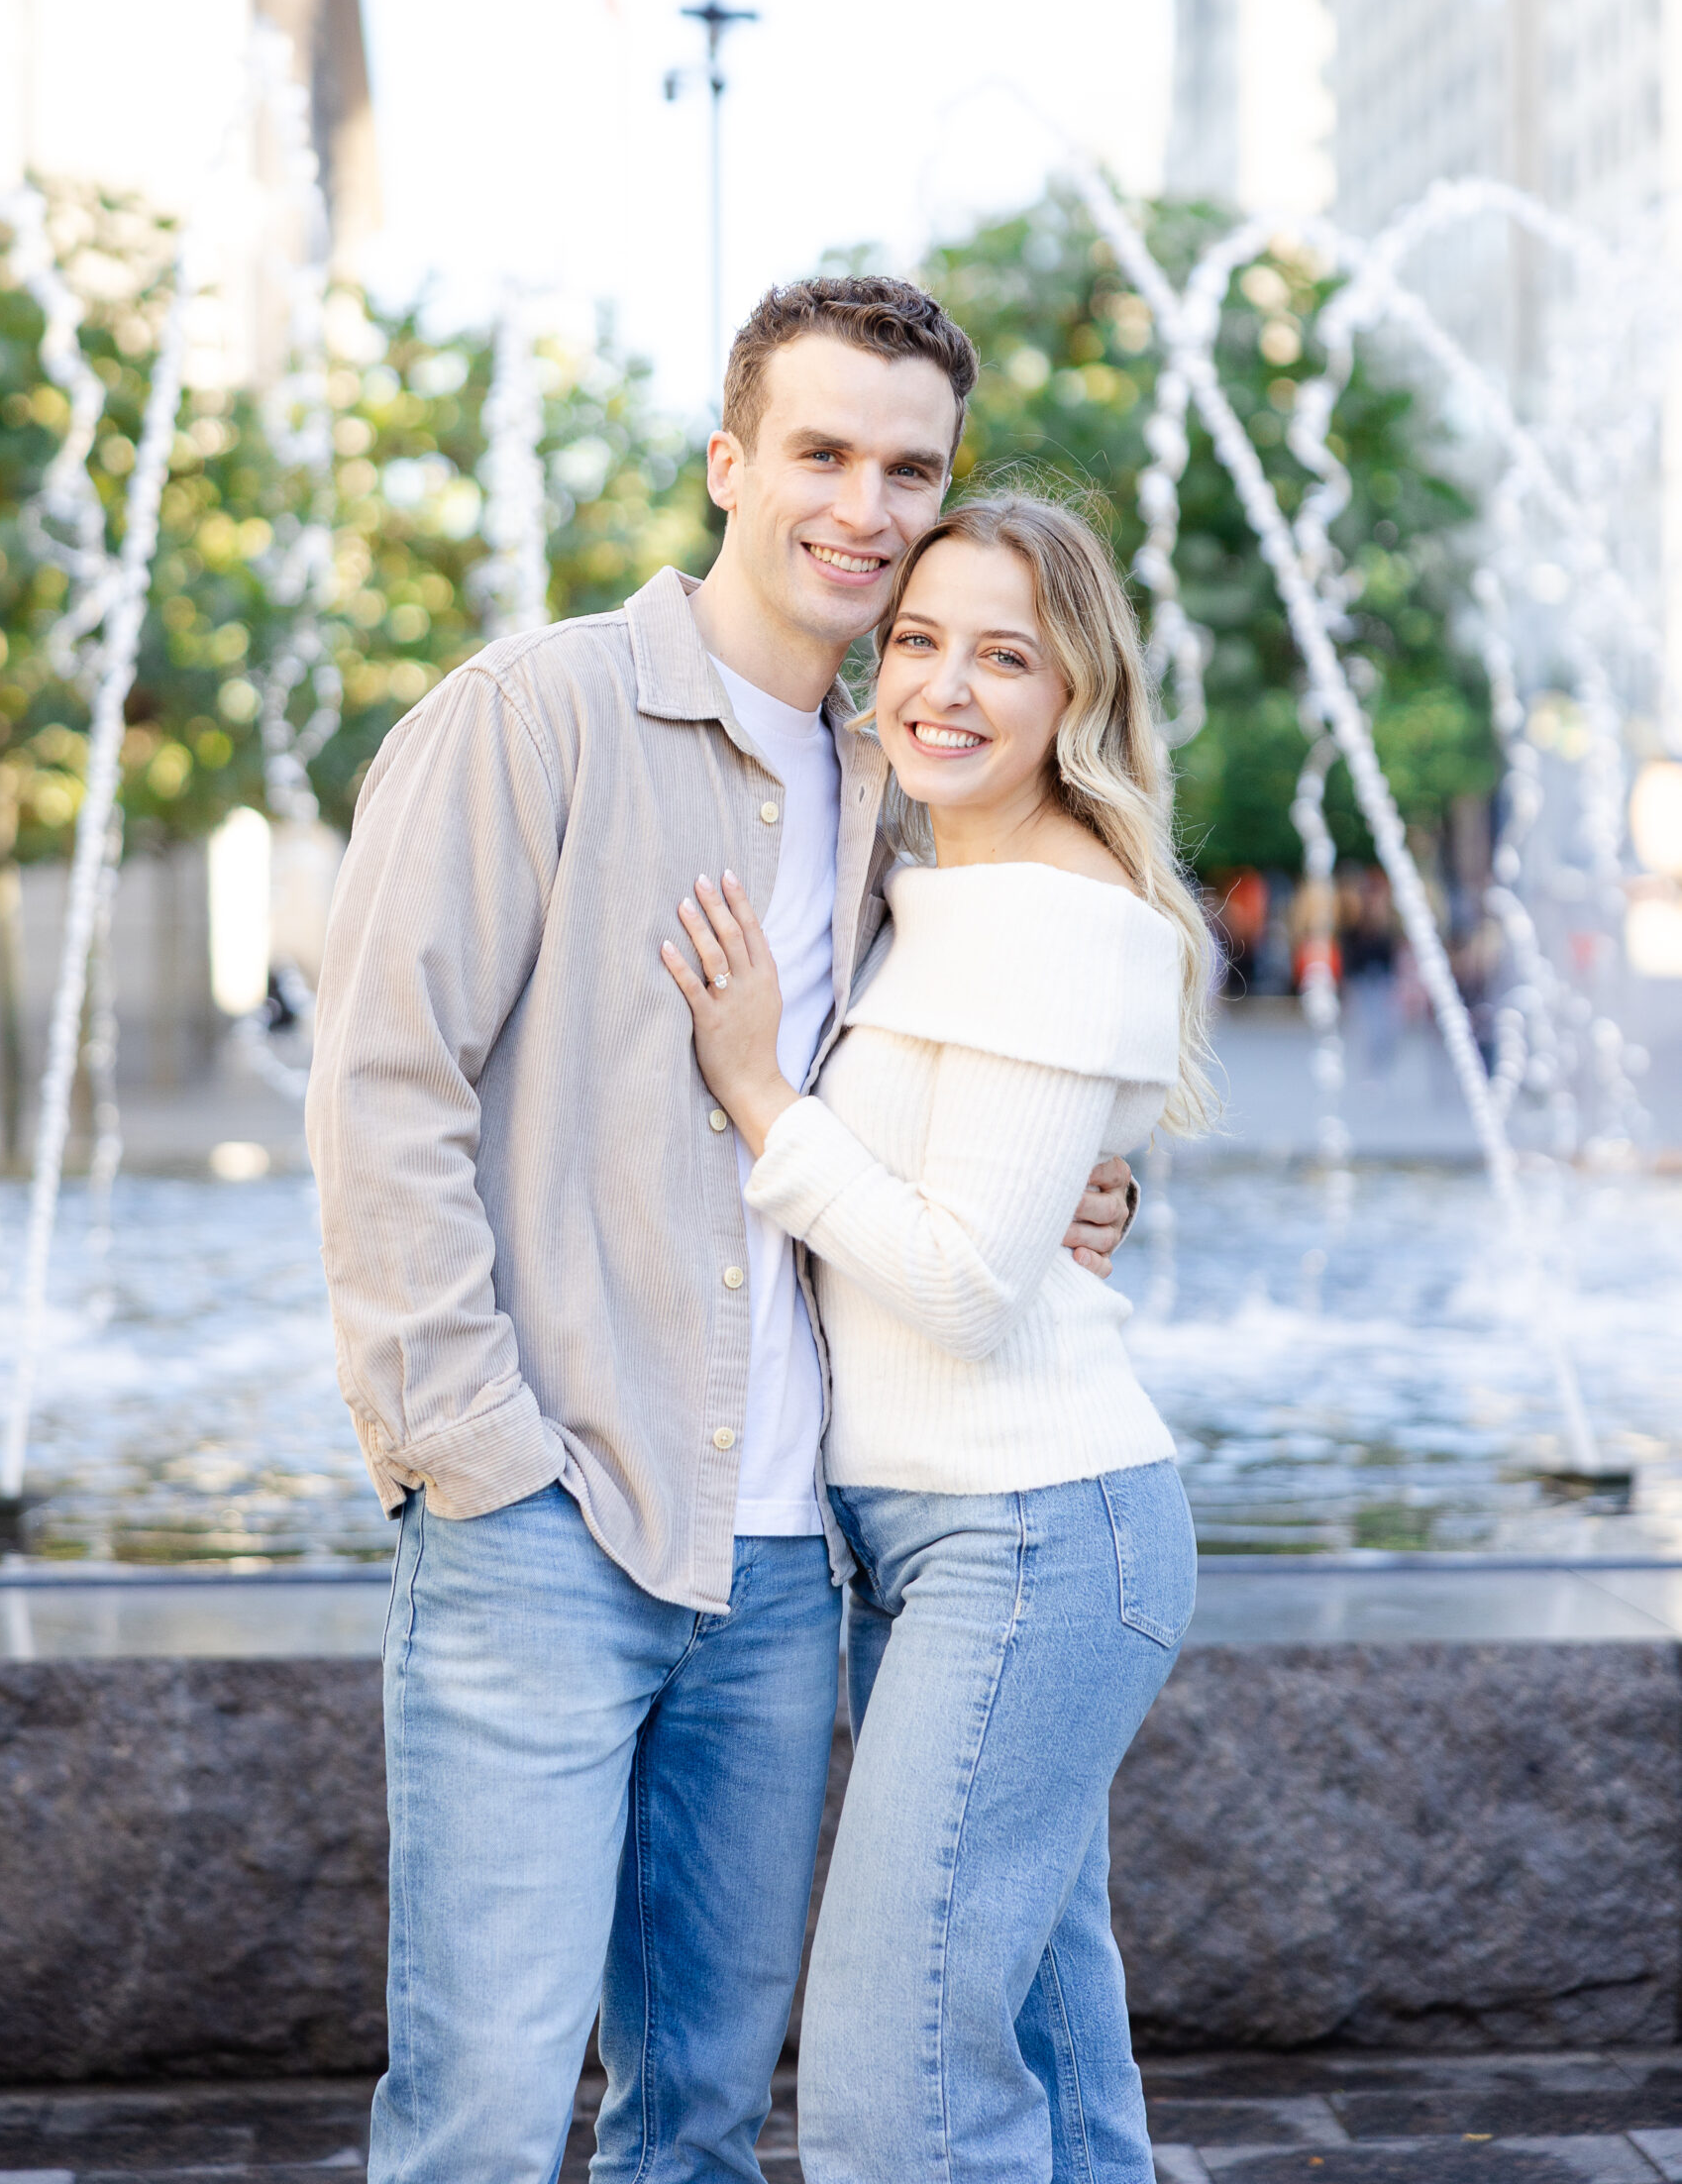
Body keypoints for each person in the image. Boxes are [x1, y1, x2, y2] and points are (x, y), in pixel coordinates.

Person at [305, 280, 1138, 2184]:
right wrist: (475, 1458)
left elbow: (977, 1085)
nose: (864, 505)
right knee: (480, 2125)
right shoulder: (532, 715)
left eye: (907, 470)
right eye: (821, 452)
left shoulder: (892, 780)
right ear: (728, 465)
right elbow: (383, 1094)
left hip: (781, 1567)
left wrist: (1087, 1183)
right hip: (545, 1523)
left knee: (697, 2122)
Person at [664, 493, 1215, 2184]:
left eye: (1005, 657)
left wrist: (757, 1089)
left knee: (895, 2068)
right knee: (1044, 2035)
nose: (945, 687)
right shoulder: (931, 891)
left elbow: (967, 1287)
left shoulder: (1062, 918)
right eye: (917, 640)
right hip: (937, 1537)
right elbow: (992, 1192)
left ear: (1077, 695)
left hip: (1029, 1531)